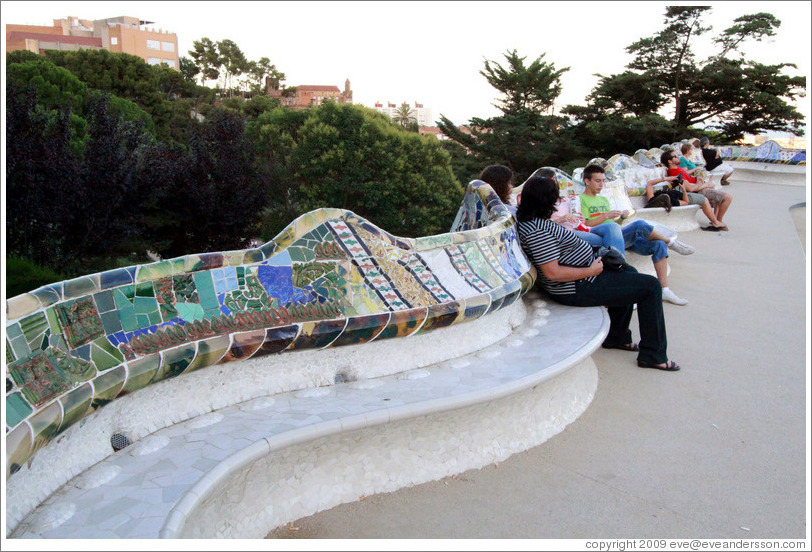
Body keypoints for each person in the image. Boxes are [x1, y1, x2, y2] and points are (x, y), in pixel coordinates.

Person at [516, 175, 679, 371]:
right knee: (651, 287)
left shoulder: (534, 221)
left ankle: (617, 336)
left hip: (585, 275)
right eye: (556, 197)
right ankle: (654, 355)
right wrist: (590, 270)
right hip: (577, 286)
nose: (558, 201)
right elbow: (552, 273)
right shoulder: (537, 231)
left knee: (630, 272)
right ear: (546, 200)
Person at [579, 164, 690, 305]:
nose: (602, 184)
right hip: (601, 238)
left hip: (617, 236)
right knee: (638, 225)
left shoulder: (603, 200)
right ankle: (670, 242)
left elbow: (614, 224)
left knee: (658, 244)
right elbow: (586, 224)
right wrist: (606, 215)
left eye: (603, 180)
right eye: (597, 181)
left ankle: (664, 290)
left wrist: (621, 218)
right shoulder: (581, 200)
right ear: (587, 181)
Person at [662, 149, 732, 231]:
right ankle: (717, 222)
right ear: (670, 161)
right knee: (728, 197)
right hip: (697, 191)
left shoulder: (678, 169)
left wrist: (698, 178)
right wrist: (705, 184)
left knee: (720, 195)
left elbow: (690, 179)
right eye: (675, 156)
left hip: (699, 188)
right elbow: (690, 189)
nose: (678, 157)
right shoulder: (675, 173)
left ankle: (716, 221)